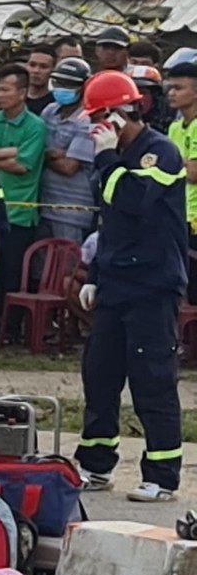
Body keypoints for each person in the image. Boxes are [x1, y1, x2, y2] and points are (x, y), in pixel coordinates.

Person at [74, 69, 187, 503]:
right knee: (100, 376)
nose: (94, 128)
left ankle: (162, 475)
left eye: (100, 118)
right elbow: (110, 223)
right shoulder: (114, 157)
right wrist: (96, 275)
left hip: (153, 285)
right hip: (117, 282)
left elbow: (133, 201)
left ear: (122, 114)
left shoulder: (160, 153)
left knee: (152, 379)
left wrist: (106, 160)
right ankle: (97, 466)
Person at [0, 64, 48, 316]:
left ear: (22, 92)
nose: (0, 95)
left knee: (10, 271)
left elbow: (22, 165)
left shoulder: (36, 126)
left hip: (19, 211)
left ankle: (7, 325)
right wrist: (7, 151)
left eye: (5, 90)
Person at [38, 56, 97, 245]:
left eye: (70, 84)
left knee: (68, 269)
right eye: (59, 82)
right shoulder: (49, 111)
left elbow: (69, 166)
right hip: (42, 204)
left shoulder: (87, 119)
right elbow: (34, 150)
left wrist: (42, 155)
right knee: (41, 270)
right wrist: (55, 153)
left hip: (72, 211)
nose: (62, 88)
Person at [167, 57, 197, 242]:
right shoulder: (174, 127)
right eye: (170, 88)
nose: (171, 93)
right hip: (178, 213)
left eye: (178, 88)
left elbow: (193, 174)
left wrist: (174, 162)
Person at [22, 42, 57, 115]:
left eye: (43, 67)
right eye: (32, 65)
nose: (36, 71)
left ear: (53, 70)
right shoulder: (16, 99)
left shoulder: (55, 103)